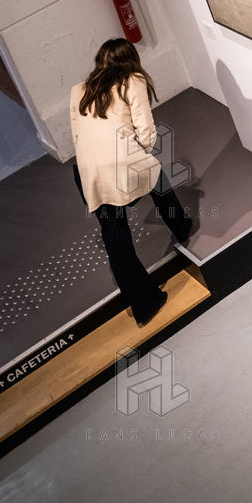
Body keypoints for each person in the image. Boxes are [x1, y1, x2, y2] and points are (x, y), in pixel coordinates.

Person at [70, 38, 193, 326]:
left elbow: (77, 137)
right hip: (124, 164)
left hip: (89, 174)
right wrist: (141, 153)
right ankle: (181, 227)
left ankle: (144, 304)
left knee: (116, 240)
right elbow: (147, 132)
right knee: (157, 178)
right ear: (130, 59)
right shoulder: (132, 80)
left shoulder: (78, 90)